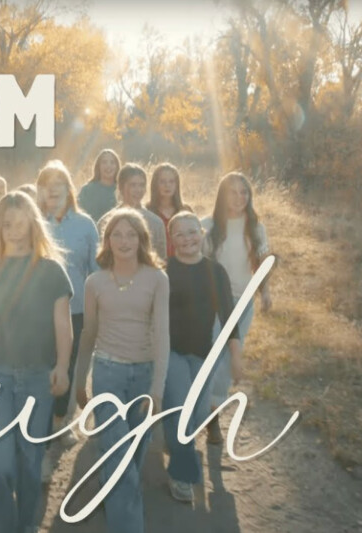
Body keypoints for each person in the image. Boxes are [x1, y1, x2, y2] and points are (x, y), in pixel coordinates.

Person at [0, 191, 73, 533]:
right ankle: (5, 525)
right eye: (7, 224)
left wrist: (62, 367)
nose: (14, 231)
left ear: (33, 225)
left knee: (29, 459)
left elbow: (63, 324)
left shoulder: (52, 270)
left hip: (38, 376)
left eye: (21, 223)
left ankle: (25, 525)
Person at [74, 208, 169, 533]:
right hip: (107, 373)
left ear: (142, 239)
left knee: (134, 454)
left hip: (144, 375)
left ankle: (111, 490)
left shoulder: (157, 279)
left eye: (131, 234)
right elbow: (88, 333)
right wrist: (79, 380)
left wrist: (157, 389)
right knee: (118, 454)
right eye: (117, 234)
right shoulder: (95, 282)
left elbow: (162, 335)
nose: (124, 240)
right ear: (107, 240)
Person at [163, 212, 241, 502]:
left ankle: (177, 442)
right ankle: (180, 476)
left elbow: (229, 316)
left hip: (203, 353)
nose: (187, 239)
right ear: (172, 240)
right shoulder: (164, 270)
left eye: (192, 232)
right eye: (179, 234)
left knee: (197, 416)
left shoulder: (215, 271)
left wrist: (236, 356)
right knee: (180, 409)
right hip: (171, 352)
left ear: (202, 233)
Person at [201, 172, 272, 443]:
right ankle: (202, 411)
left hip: (244, 302)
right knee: (214, 356)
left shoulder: (255, 228)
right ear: (222, 195)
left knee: (229, 359)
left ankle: (213, 412)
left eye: (244, 192)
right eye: (233, 192)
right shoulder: (207, 226)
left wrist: (265, 292)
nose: (240, 197)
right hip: (215, 302)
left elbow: (260, 263)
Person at [35, 160, 99, 457]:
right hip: (40, 312)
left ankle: (61, 423)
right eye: (47, 186)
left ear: (68, 189)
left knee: (69, 368)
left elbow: (95, 270)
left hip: (76, 311)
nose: (53, 191)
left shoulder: (85, 225)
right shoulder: (34, 223)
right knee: (42, 366)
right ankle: (39, 424)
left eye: (59, 185)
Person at [97, 163, 167, 261]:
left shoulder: (156, 223)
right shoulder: (106, 221)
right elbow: (102, 258)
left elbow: (161, 260)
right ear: (121, 187)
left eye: (141, 185)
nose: (138, 190)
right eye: (133, 185)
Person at [145, 163, 193, 257]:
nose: (167, 185)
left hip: (182, 261)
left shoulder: (185, 210)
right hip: (156, 262)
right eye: (162, 181)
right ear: (155, 184)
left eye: (171, 181)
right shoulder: (147, 211)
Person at [78, 149, 120, 224]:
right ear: (98, 166)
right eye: (104, 162)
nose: (108, 165)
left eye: (112, 162)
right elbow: (78, 214)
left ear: (117, 166)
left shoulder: (122, 191)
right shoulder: (87, 190)